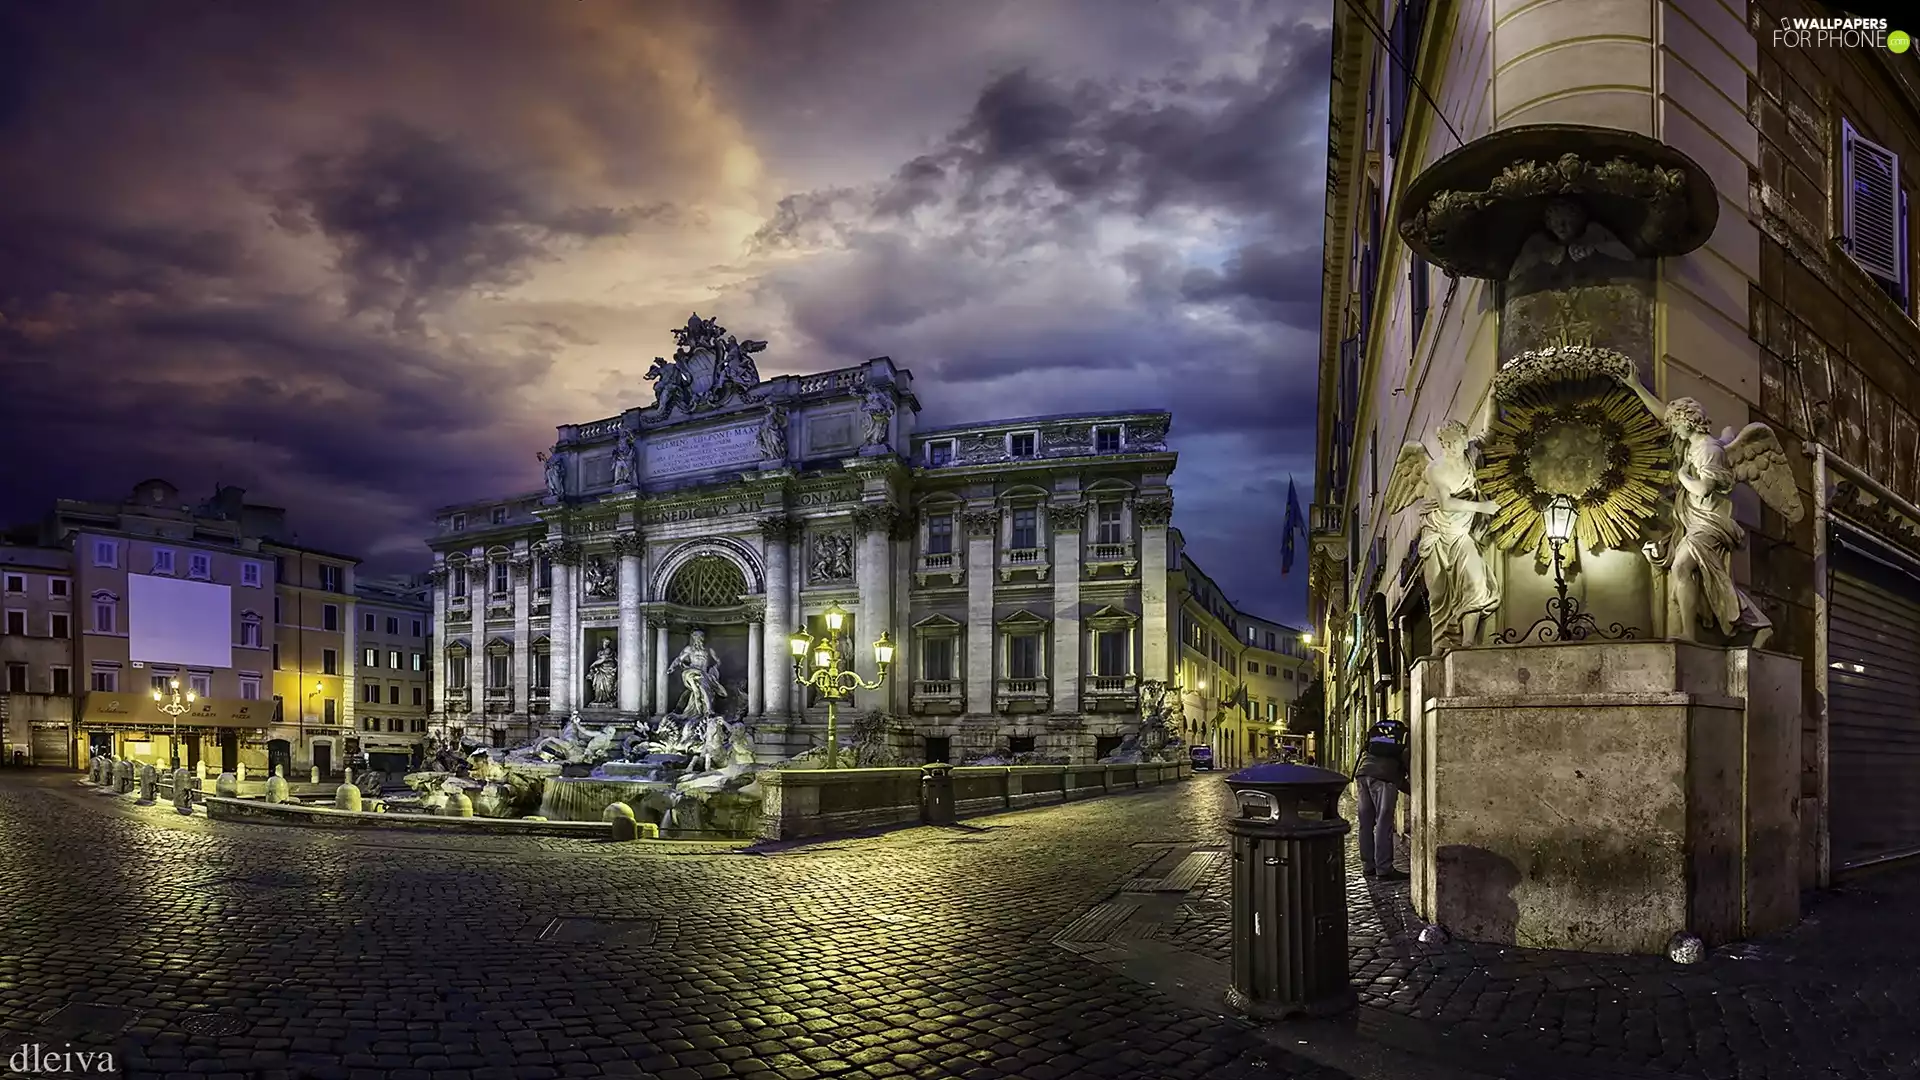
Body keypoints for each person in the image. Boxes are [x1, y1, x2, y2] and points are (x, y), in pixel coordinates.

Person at [1352, 716, 1411, 881]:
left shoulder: (1378, 736)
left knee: (1366, 823)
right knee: (1383, 823)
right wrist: (1415, 790)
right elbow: (1404, 767)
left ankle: (1368, 867)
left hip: (1363, 774)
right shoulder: (1405, 739)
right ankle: (1384, 869)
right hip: (1384, 778)